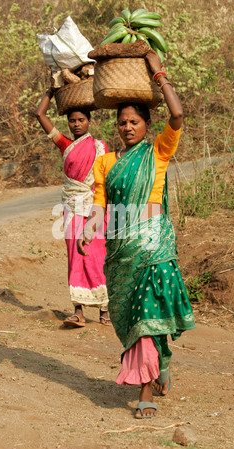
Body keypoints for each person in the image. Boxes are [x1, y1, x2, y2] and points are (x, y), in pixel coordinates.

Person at [77, 49, 195, 418]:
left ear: (146, 125)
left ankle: (145, 388)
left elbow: (176, 114)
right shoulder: (106, 162)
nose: (127, 127)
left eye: (134, 122)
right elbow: (100, 205)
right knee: (134, 316)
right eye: (122, 123)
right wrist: (88, 227)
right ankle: (160, 363)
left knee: (148, 313)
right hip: (122, 250)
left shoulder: (158, 151)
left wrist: (159, 74)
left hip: (155, 244)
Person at [35, 87, 110, 327]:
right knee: (75, 257)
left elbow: (104, 181)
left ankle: (104, 311)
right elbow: (40, 115)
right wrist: (50, 89)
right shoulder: (64, 144)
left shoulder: (101, 147)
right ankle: (78, 311)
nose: (76, 124)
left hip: (95, 209)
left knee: (98, 256)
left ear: (89, 121)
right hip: (72, 209)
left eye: (81, 120)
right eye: (72, 120)